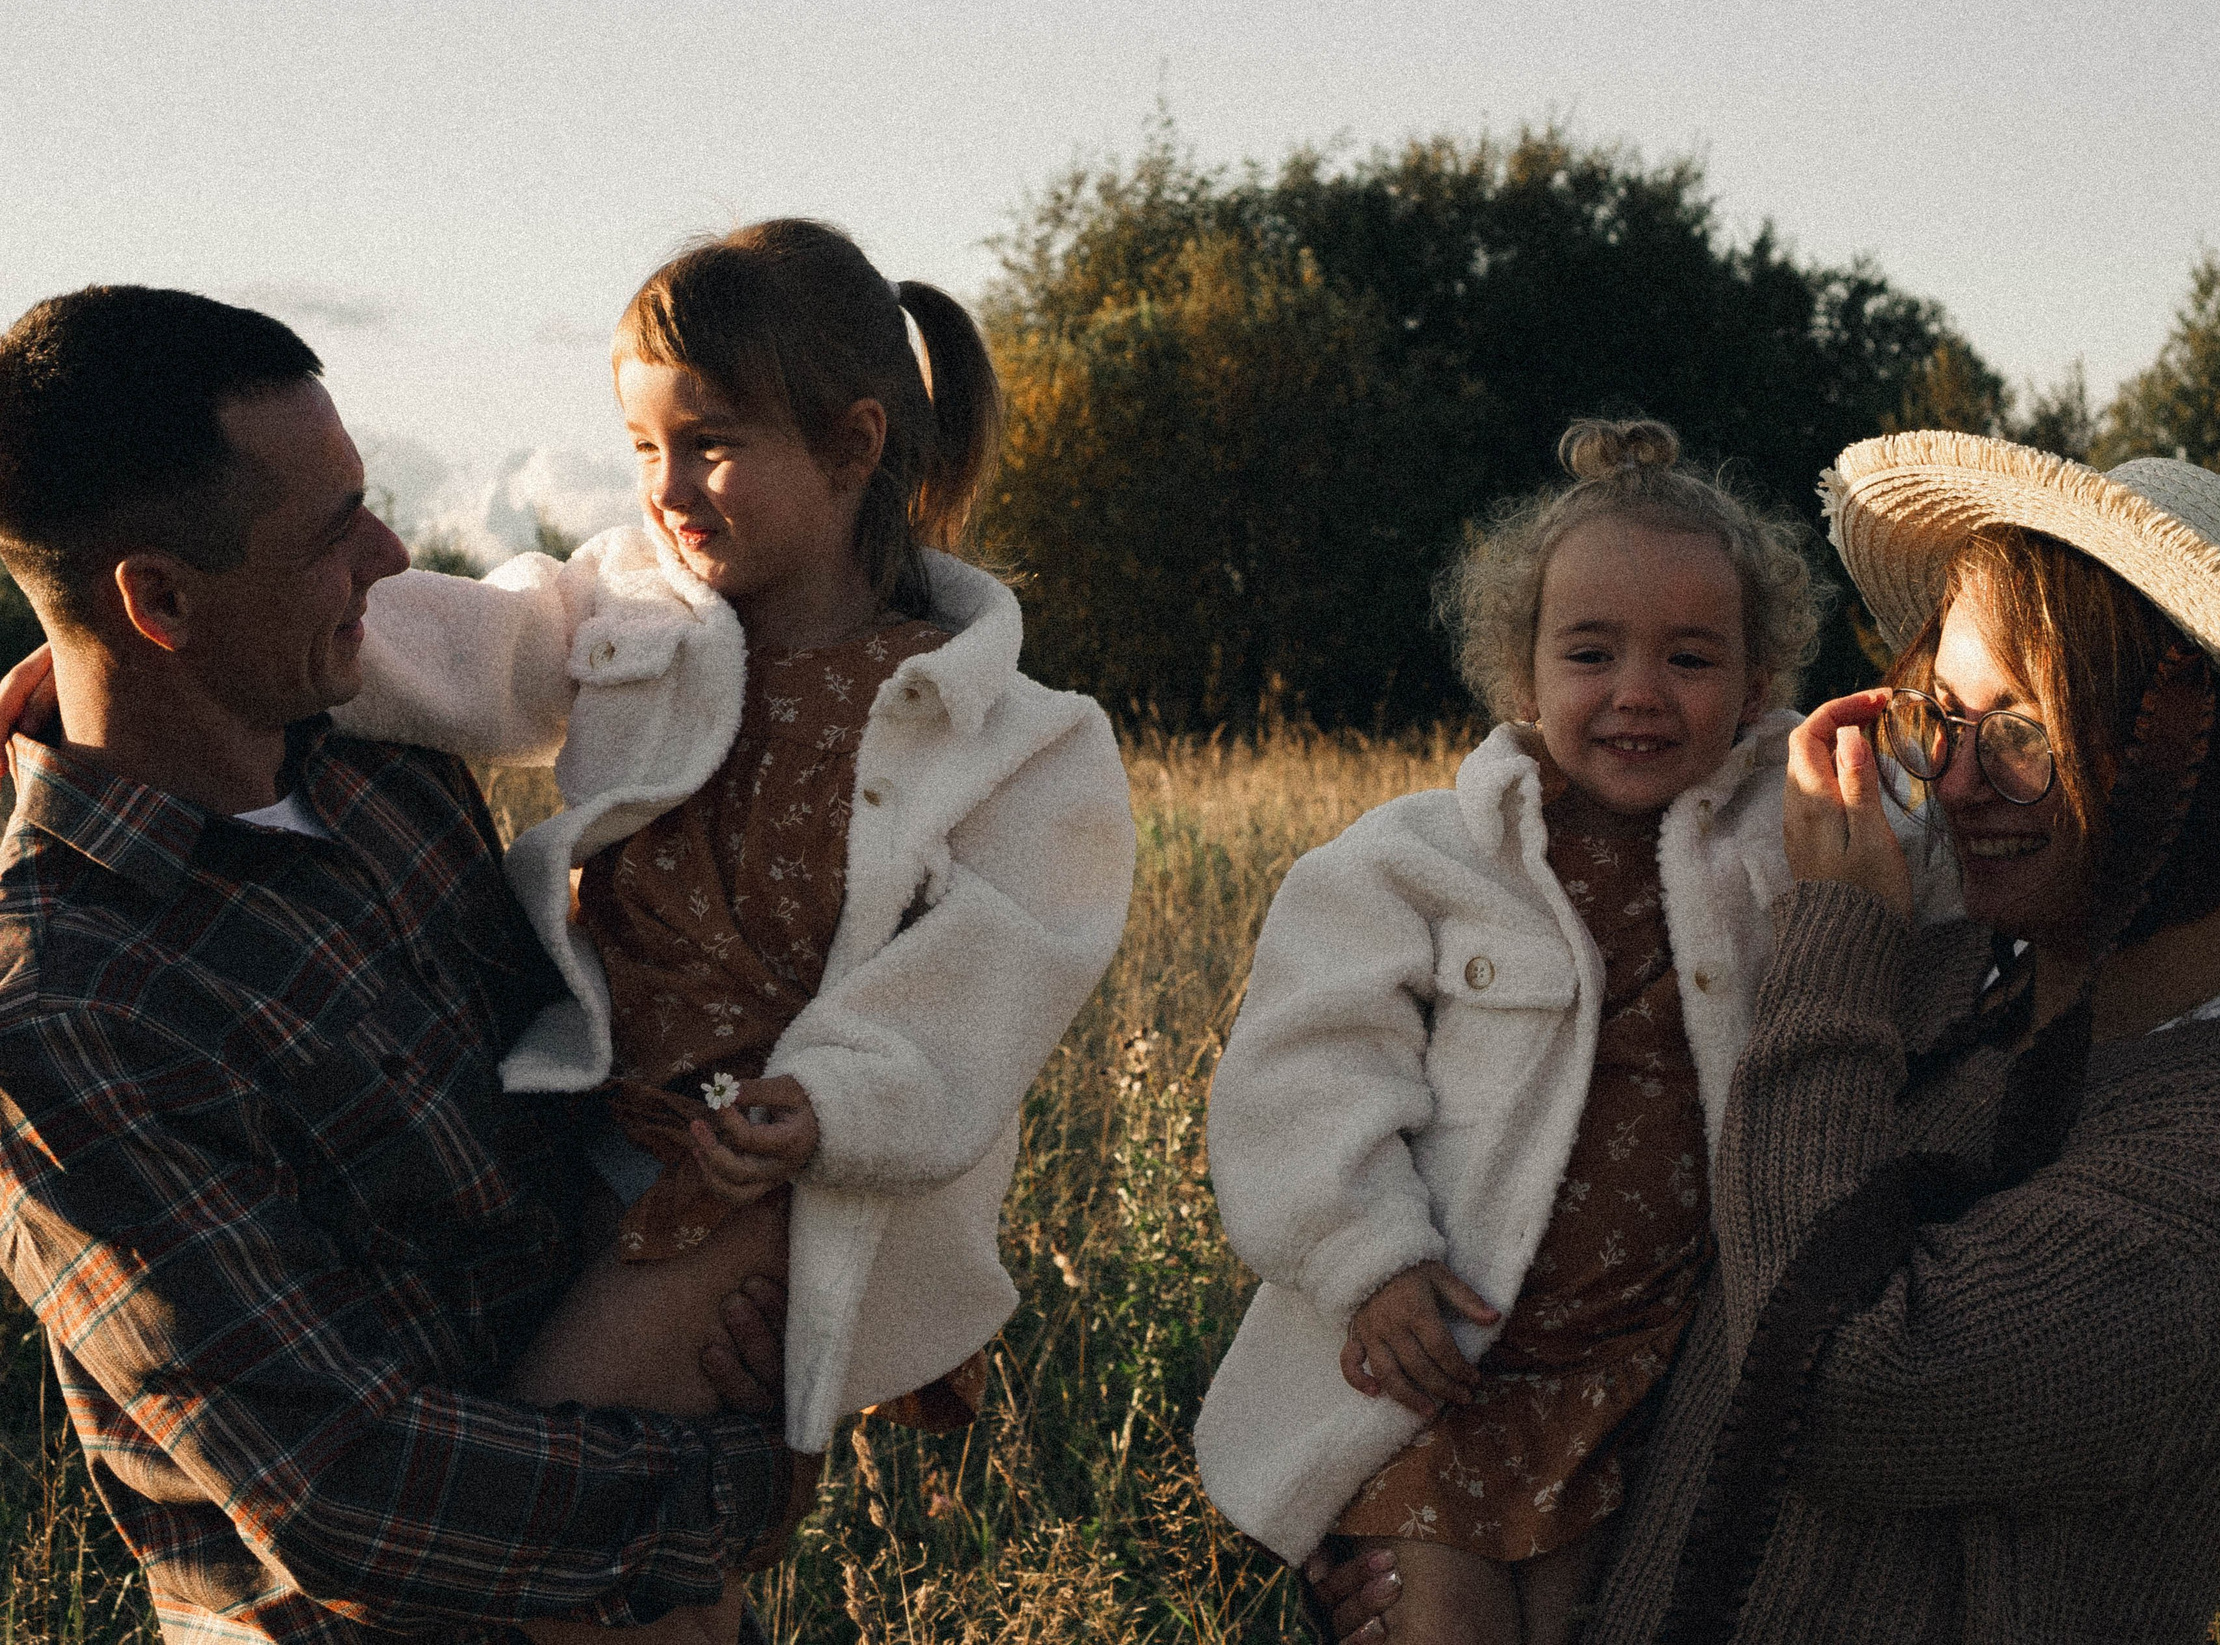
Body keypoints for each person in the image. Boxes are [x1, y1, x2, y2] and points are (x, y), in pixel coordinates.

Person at [325, 219, 1137, 1639]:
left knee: (537, 1511)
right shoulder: (639, 612)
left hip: (766, 1179)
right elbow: (476, 645)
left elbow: (1005, 961)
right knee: (652, 1576)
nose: (667, 486)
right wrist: (246, 647)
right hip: (588, 1130)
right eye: (643, 449)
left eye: (708, 442)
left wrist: (828, 1101)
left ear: (855, 441)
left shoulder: (1015, 733)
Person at [0, 285, 806, 1644]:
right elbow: (346, 1487)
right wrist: (732, 1481)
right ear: (161, 598)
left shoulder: (376, 768)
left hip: (636, 1582)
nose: (388, 552)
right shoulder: (71, 1004)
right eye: (330, 534)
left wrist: (742, 1309)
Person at [1574, 432, 2220, 1642]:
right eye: (1946, 715)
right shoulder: (1940, 985)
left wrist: (1832, 933)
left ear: (2191, 764)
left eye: (2025, 732)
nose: (1959, 780)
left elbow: (1833, 1392)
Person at [1194, 420, 1954, 1645]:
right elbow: (1304, 1067)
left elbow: (1921, 867)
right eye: (1590, 653)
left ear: (1759, 685)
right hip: (1442, 1367)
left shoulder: (1785, 831)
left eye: (1690, 658)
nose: (1637, 693)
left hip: (1647, 1378)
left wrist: (1920, 739)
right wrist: (1365, 1256)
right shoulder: (1418, 862)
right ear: (1522, 675)